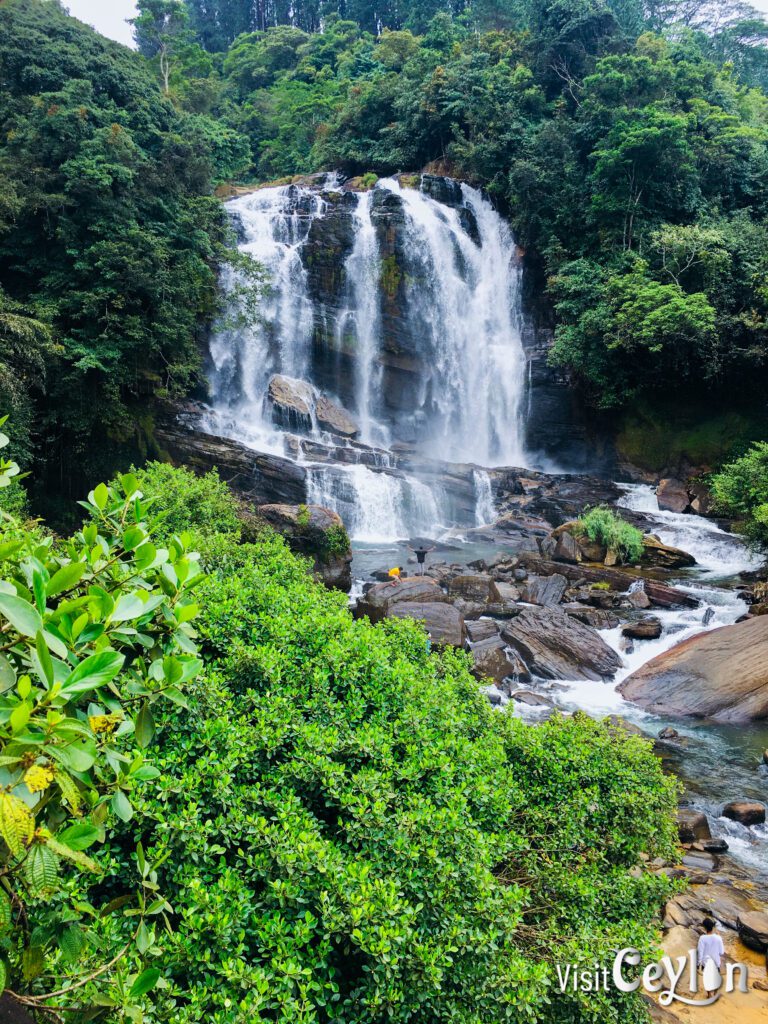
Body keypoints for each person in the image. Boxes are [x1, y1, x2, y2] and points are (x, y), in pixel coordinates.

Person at [697, 917, 724, 999]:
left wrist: (698, 963)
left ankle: (709, 995)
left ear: (705, 928)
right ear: (713, 927)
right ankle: (715, 993)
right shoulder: (718, 938)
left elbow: (700, 952)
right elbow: (721, 952)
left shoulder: (702, 938)